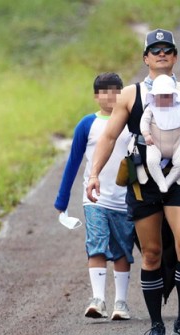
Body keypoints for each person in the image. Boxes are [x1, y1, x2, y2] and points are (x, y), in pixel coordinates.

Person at [87, 29, 180, 335]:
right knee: (150, 253)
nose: (161, 54)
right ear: (146, 58)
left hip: (179, 183)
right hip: (143, 185)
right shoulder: (131, 96)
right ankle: (156, 325)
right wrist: (94, 174)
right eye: (155, 50)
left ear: (175, 56)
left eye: (168, 49)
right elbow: (108, 137)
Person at [54, 72, 135, 321]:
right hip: (95, 198)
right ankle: (98, 299)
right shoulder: (87, 124)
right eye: (104, 91)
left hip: (125, 198)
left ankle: (120, 302)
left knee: (122, 250)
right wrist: (62, 200)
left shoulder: (133, 122)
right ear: (95, 96)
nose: (110, 96)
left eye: (115, 91)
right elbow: (73, 162)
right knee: (96, 245)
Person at [140, 74, 180, 193]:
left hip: (176, 145)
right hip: (155, 144)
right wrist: (146, 135)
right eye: (161, 96)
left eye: (168, 96)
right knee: (151, 161)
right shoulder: (151, 108)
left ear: (173, 96)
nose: (164, 98)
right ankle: (161, 181)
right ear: (154, 96)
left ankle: (168, 182)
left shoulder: (179, 108)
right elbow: (144, 121)